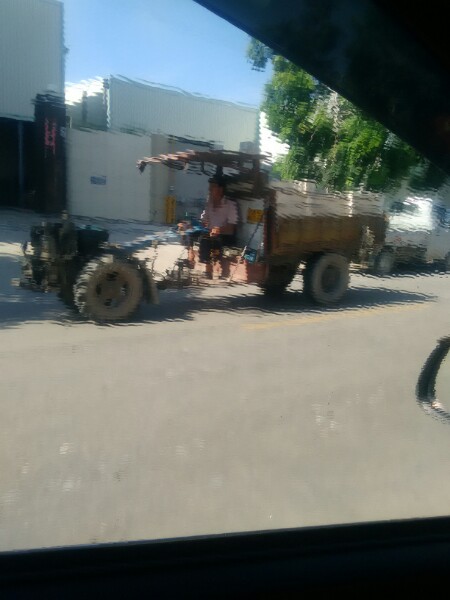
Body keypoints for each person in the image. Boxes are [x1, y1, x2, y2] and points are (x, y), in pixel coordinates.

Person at [198, 174, 239, 266]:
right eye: (210, 187)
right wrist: (196, 224)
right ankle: (196, 262)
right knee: (192, 235)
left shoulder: (230, 204)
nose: (209, 190)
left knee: (210, 240)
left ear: (220, 190)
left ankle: (211, 267)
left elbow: (231, 228)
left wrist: (218, 230)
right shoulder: (209, 202)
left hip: (225, 237)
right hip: (211, 235)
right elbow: (203, 219)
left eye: (212, 187)